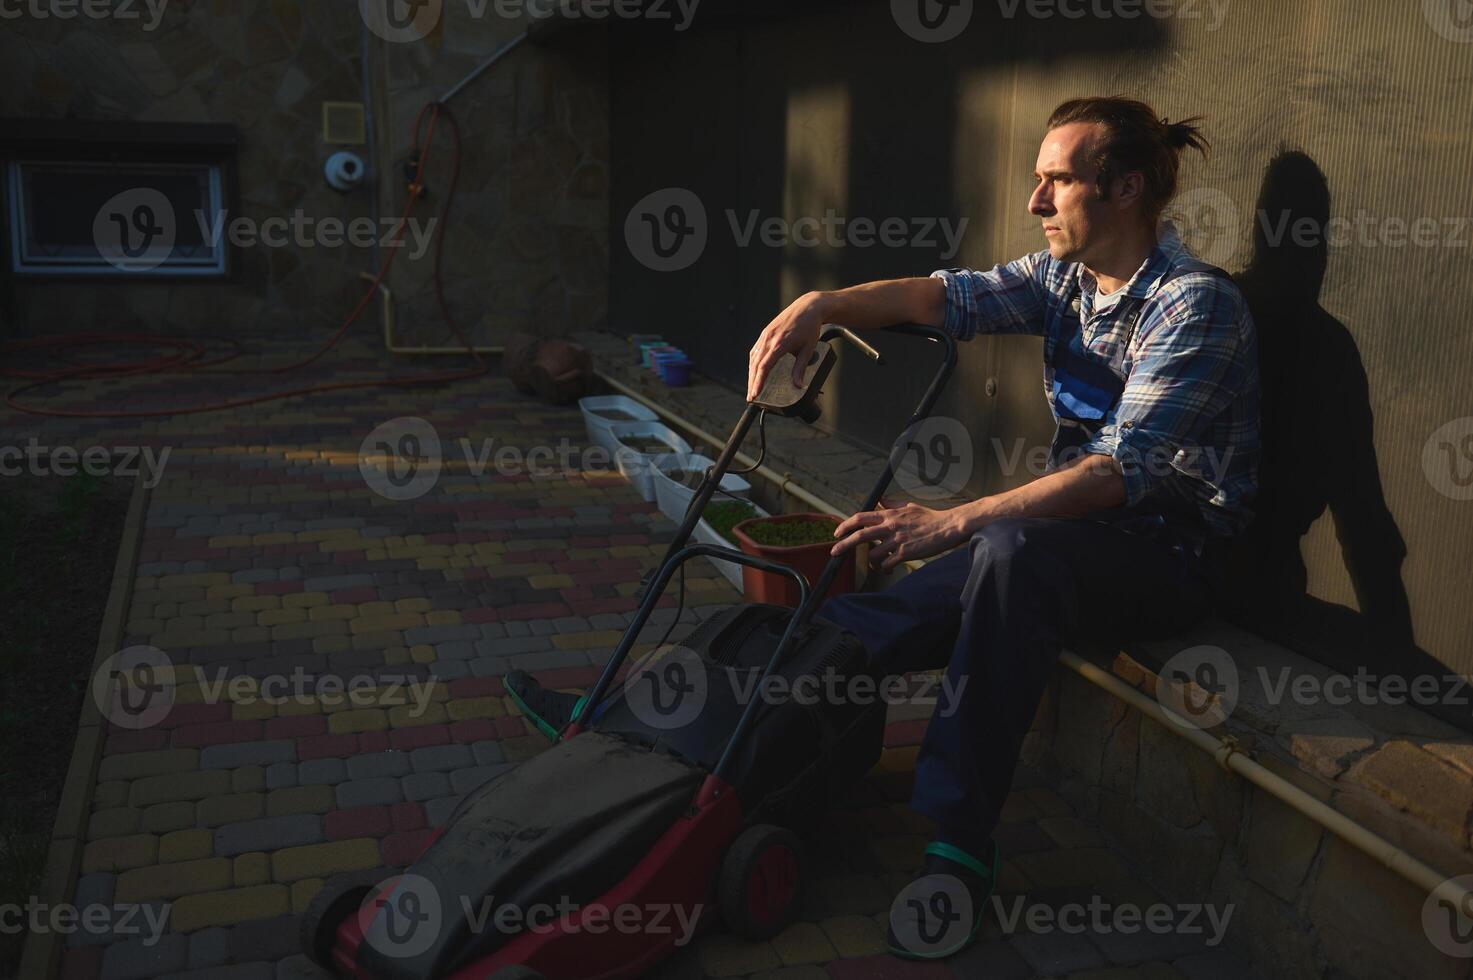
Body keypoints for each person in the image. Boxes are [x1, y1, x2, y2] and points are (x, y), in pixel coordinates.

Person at [506, 94, 1260, 960]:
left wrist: (958, 522)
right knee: (856, 617)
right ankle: (646, 723)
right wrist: (820, 305)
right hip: (1060, 542)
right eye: (1037, 180)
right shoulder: (1066, 280)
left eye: (1056, 181)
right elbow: (945, 298)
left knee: (1005, 553)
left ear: (1124, 188)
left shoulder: (1193, 307)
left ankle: (958, 843)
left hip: (1168, 554)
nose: (1034, 201)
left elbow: (1116, 474)